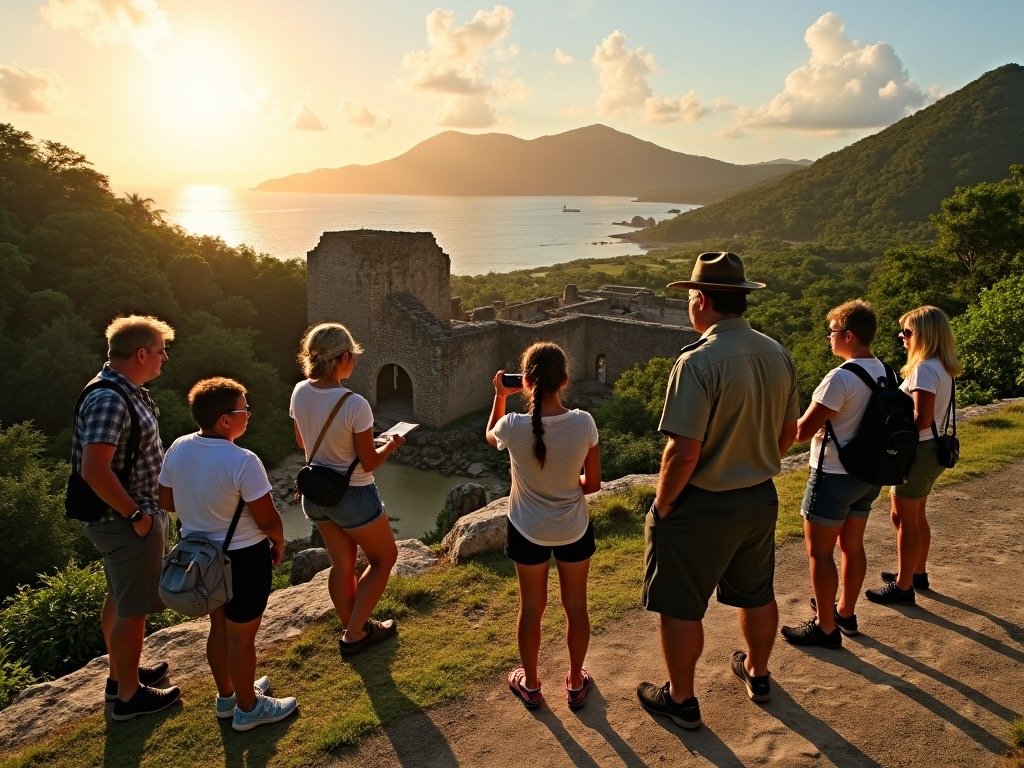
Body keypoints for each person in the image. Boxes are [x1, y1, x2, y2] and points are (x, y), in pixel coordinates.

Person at [636, 252, 799, 730]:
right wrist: (756, 460)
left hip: (704, 503)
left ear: (702, 301)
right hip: (759, 497)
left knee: (681, 604)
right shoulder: (777, 353)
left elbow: (683, 451)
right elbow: (789, 432)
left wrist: (664, 504)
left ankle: (682, 700)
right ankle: (758, 673)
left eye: (691, 296)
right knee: (757, 592)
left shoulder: (697, 362)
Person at [158, 378, 298, 732]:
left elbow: (166, 501)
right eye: (243, 409)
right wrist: (279, 542)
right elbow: (267, 518)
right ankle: (249, 709)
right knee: (242, 637)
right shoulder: (243, 460)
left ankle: (228, 697)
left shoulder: (178, 447)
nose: (248, 414)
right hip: (244, 558)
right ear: (225, 420)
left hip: (201, 558)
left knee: (219, 628)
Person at [72, 315, 180, 720]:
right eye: (161, 351)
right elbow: (94, 469)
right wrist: (136, 515)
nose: (165, 358)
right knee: (133, 608)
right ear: (141, 354)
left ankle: (121, 676)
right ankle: (129, 698)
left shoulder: (122, 390)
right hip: (124, 519)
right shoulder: (111, 399)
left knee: (118, 596)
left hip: (123, 517)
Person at [486, 342, 602, 710]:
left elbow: (490, 436)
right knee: (576, 607)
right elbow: (593, 484)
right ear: (564, 380)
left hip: (526, 527)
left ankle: (532, 684)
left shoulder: (512, 425)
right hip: (573, 527)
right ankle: (575, 680)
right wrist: (565, 484)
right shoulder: (583, 422)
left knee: (531, 608)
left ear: (525, 381)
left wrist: (500, 396)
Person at [290, 322, 405, 655]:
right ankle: (354, 633)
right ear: (343, 358)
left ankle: (356, 627)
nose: (354, 360)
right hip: (352, 495)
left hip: (315, 494)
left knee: (342, 565)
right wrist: (390, 445)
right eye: (352, 355)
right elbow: (368, 462)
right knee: (385, 558)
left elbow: (302, 442)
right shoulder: (355, 404)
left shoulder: (300, 391)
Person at [781, 300, 885, 649]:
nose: (829, 337)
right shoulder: (885, 372)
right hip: (869, 474)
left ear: (849, 336)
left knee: (820, 552)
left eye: (833, 331)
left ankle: (825, 627)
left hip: (834, 474)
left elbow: (801, 431)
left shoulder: (840, 378)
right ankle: (845, 612)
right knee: (852, 545)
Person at [866, 306, 962, 604]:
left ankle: (903, 586)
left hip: (918, 452)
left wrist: (885, 429)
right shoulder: (942, 367)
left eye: (907, 332)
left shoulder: (923, 369)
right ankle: (916, 572)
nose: (901, 337)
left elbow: (921, 418)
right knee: (915, 516)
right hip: (933, 448)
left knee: (905, 520)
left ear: (924, 335)